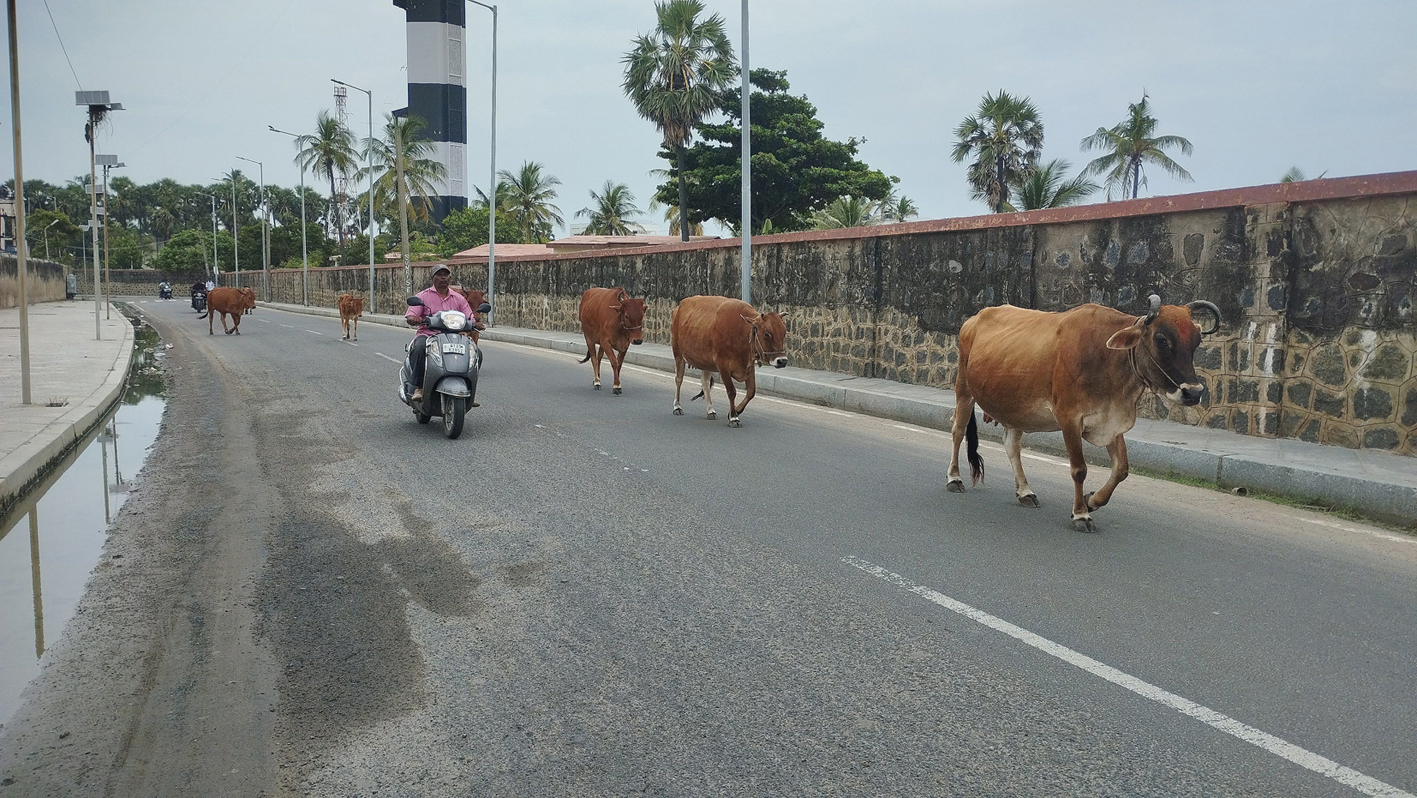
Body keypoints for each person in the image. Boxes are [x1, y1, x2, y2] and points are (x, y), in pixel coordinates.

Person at [405, 265, 479, 402]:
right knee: (419, 348)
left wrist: (475, 323)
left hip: (454, 337)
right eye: (439, 275)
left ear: (450, 278)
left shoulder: (458, 299)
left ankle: (469, 388)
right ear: (433, 278)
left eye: (446, 275)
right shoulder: (423, 296)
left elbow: (469, 317)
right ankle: (419, 387)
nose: (443, 277)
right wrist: (413, 319)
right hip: (429, 335)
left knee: (476, 353)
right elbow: (411, 314)